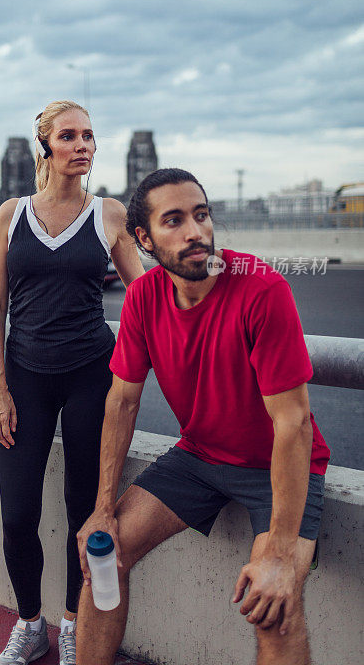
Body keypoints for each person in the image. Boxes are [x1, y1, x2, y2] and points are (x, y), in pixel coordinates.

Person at [76, 168, 330, 665]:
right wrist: (103, 505)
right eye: (174, 220)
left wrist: (278, 554)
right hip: (198, 455)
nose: (195, 231)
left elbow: (293, 425)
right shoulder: (145, 297)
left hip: (275, 467)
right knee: (104, 553)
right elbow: (122, 402)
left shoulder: (262, 288)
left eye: (201, 214)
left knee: (273, 606)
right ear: (144, 239)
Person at [0, 100, 144, 665]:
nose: (83, 145)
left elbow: (145, 296)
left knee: (84, 508)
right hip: (25, 377)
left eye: (90, 137)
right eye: (70, 136)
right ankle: (30, 626)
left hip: (91, 376)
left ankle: (75, 624)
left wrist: (210, 283)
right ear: (44, 147)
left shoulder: (110, 216)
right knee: (17, 513)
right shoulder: (11, 214)